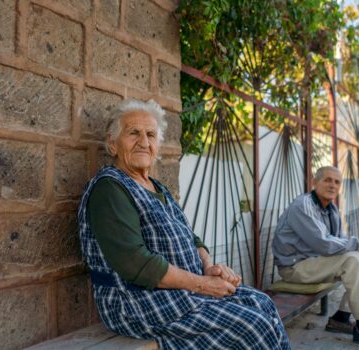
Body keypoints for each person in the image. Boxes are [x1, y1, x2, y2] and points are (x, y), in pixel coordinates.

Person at [77, 99, 290, 350]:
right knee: (253, 327)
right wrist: (202, 284)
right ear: (112, 144)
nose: (144, 142)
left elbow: (192, 238)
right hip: (138, 301)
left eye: (151, 135)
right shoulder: (110, 188)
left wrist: (209, 267)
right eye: (133, 133)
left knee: (262, 303)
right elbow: (135, 263)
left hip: (183, 292)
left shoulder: (158, 189)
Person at [272, 166, 359, 347]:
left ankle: (341, 318)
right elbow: (324, 244)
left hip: (316, 263)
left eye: (337, 181)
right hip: (295, 268)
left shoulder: (331, 209)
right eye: (327, 180)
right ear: (314, 182)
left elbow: (340, 241)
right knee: (353, 259)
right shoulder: (303, 206)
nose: (332, 185)